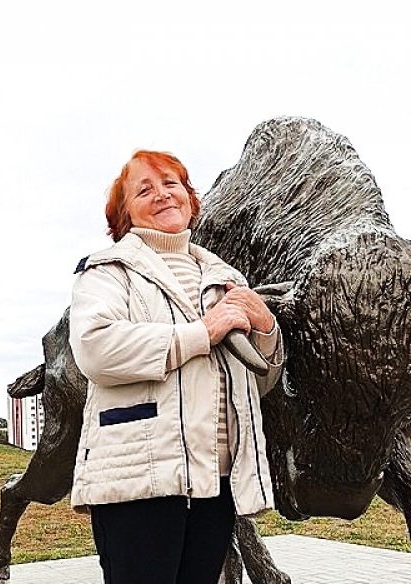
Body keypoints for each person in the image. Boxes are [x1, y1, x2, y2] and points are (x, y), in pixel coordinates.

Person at [69, 150, 283, 584]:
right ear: (124, 214)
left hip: (213, 480)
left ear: (189, 196)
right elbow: (95, 348)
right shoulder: (108, 272)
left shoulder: (225, 279)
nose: (163, 194)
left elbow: (255, 384)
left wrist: (266, 329)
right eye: (144, 190)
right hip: (140, 478)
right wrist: (202, 332)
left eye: (172, 183)